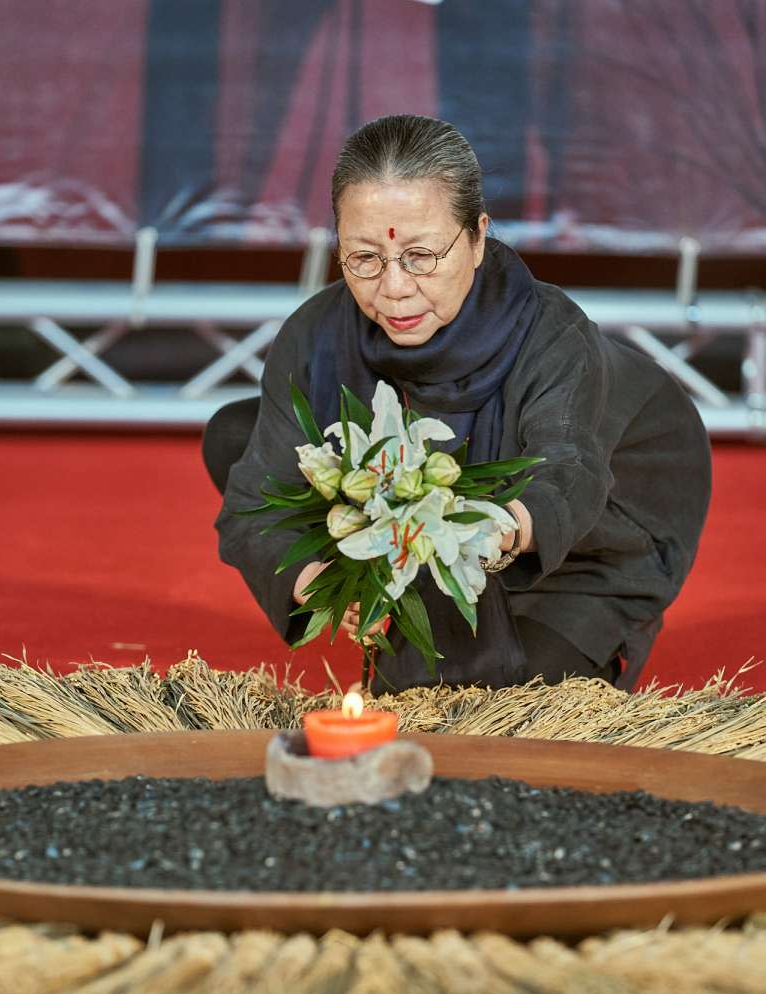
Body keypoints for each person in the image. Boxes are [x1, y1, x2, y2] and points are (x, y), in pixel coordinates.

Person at [204, 114, 711, 694]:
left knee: (495, 702)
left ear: (476, 237)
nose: (392, 287)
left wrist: (487, 533)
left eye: (421, 256)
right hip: (431, 529)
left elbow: (566, 471)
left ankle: (597, 622)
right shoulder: (317, 332)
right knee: (237, 437)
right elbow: (254, 499)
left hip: (592, 532)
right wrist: (315, 579)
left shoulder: (550, 331)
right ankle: (418, 586)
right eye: (363, 258)